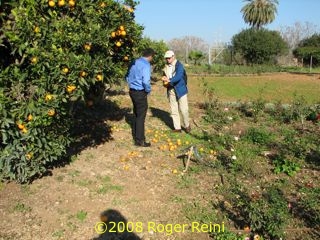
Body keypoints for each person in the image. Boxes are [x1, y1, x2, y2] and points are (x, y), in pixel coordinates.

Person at [126, 48, 155, 147]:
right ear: (150, 56)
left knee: (136, 113)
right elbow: (146, 81)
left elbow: (127, 75)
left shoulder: (134, 62)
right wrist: (148, 90)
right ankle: (140, 140)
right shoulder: (146, 65)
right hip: (140, 92)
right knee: (141, 116)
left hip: (132, 91)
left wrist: (131, 83)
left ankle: (136, 134)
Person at [162, 50, 190, 133]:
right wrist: (164, 82)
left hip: (180, 90)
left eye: (169, 58)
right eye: (166, 58)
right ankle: (177, 128)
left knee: (184, 109)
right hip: (171, 90)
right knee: (174, 110)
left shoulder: (179, 65)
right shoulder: (165, 67)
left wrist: (169, 80)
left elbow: (178, 77)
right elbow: (164, 77)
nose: (167, 60)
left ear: (173, 57)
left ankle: (187, 125)